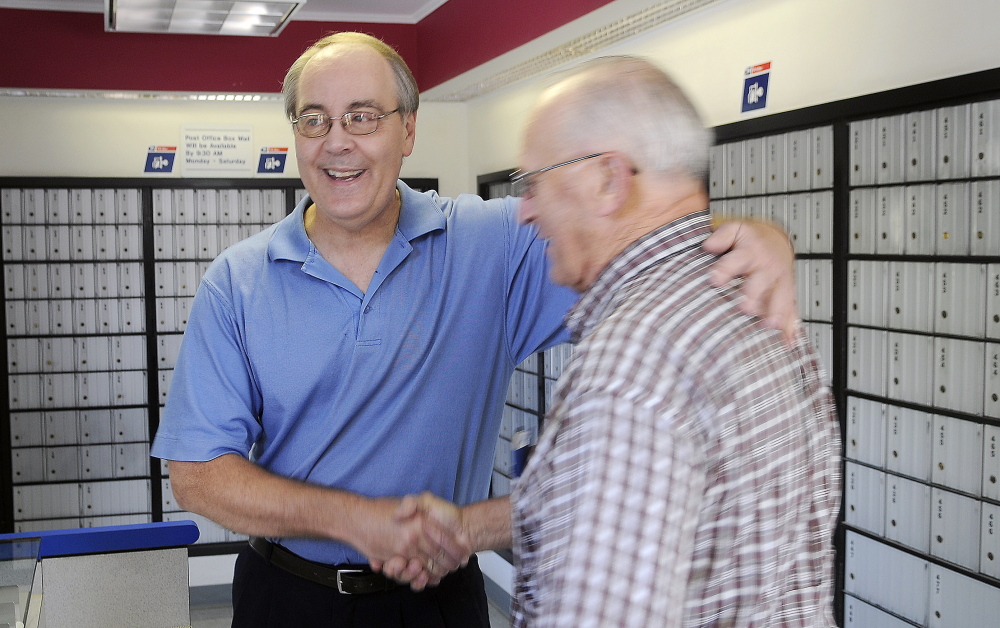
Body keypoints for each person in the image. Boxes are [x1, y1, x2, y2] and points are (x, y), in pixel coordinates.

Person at [151, 33, 802, 628]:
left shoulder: (492, 244)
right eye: (313, 120)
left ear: (407, 131)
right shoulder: (237, 281)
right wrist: (358, 522)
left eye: (362, 116)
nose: (336, 142)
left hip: (441, 603)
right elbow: (198, 474)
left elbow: (632, 247)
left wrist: (757, 239)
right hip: (288, 598)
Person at [509, 56, 841, 627]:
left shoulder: (632, 365)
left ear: (609, 179)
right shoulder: (760, 305)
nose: (523, 212)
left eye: (534, 183)